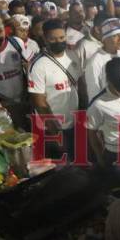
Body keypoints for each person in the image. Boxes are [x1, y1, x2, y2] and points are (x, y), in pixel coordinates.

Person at [28, 19, 83, 157]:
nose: (59, 41)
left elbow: (80, 85)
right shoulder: (38, 65)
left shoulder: (73, 55)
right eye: (53, 39)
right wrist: (56, 134)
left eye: (61, 37)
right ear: (45, 39)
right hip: (52, 128)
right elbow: (39, 103)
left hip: (74, 123)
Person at [84, 17, 120, 103]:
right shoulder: (94, 63)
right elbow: (93, 97)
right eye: (115, 36)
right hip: (107, 108)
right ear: (105, 38)